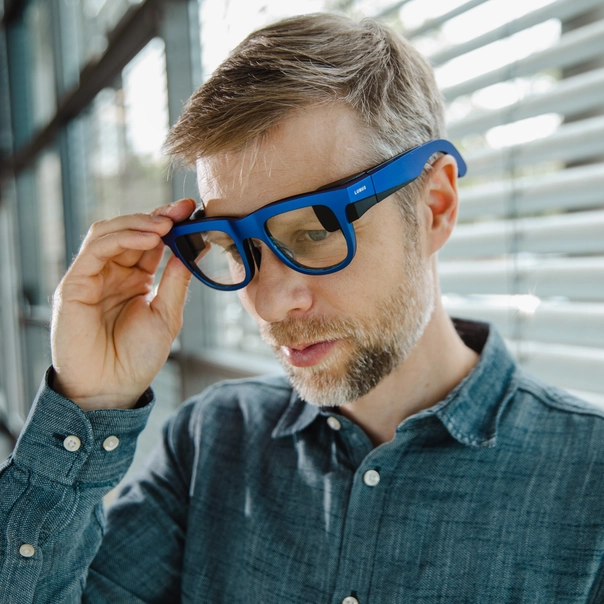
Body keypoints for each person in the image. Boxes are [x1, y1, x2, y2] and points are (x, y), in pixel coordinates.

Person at [1, 12, 603, 604]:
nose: (265, 301)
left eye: (315, 231)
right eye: (234, 247)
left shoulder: (590, 485)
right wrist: (91, 401)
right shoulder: (212, 442)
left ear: (436, 206)